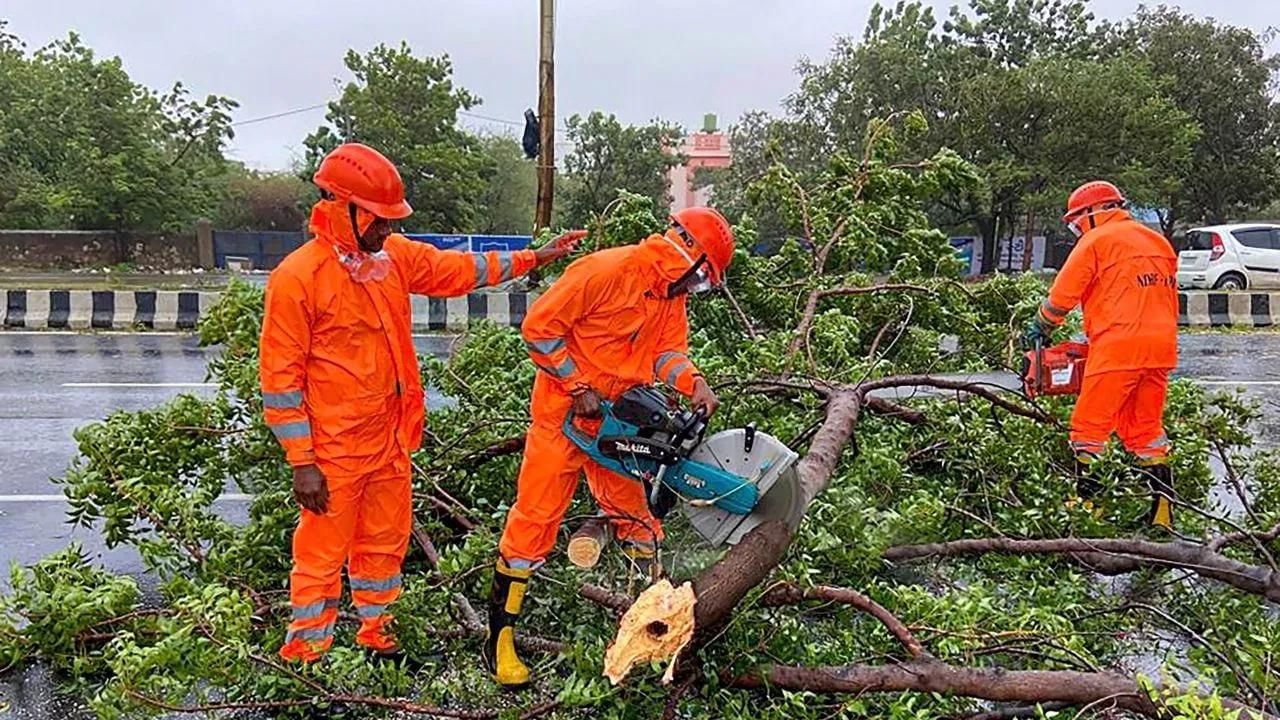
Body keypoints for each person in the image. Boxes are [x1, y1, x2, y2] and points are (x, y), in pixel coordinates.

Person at [260, 142, 582, 663]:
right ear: (343, 208)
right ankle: (306, 660)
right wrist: (303, 463)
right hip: (333, 453)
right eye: (381, 220)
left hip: (388, 441)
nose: (389, 230)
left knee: (384, 548)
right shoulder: (299, 279)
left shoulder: (390, 260)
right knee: (320, 558)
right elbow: (280, 379)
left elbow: (458, 270)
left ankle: (379, 640)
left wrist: (534, 258)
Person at [483, 207, 735, 688]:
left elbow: (667, 355)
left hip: (619, 422)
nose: (696, 287)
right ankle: (499, 641)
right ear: (688, 253)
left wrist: (694, 382)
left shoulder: (669, 296)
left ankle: (646, 630)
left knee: (640, 521)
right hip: (564, 417)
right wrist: (576, 385)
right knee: (534, 521)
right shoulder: (606, 269)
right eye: (701, 277)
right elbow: (539, 329)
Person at [1024, 180, 1179, 529]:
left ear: (1093, 212)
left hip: (1118, 348)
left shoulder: (1096, 241)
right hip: (1161, 348)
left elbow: (1062, 296)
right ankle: (1163, 516)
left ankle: (1086, 510)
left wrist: (1040, 328)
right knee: (1146, 432)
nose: (1075, 227)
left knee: (1088, 430)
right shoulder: (1157, 240)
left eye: (1075, 220)